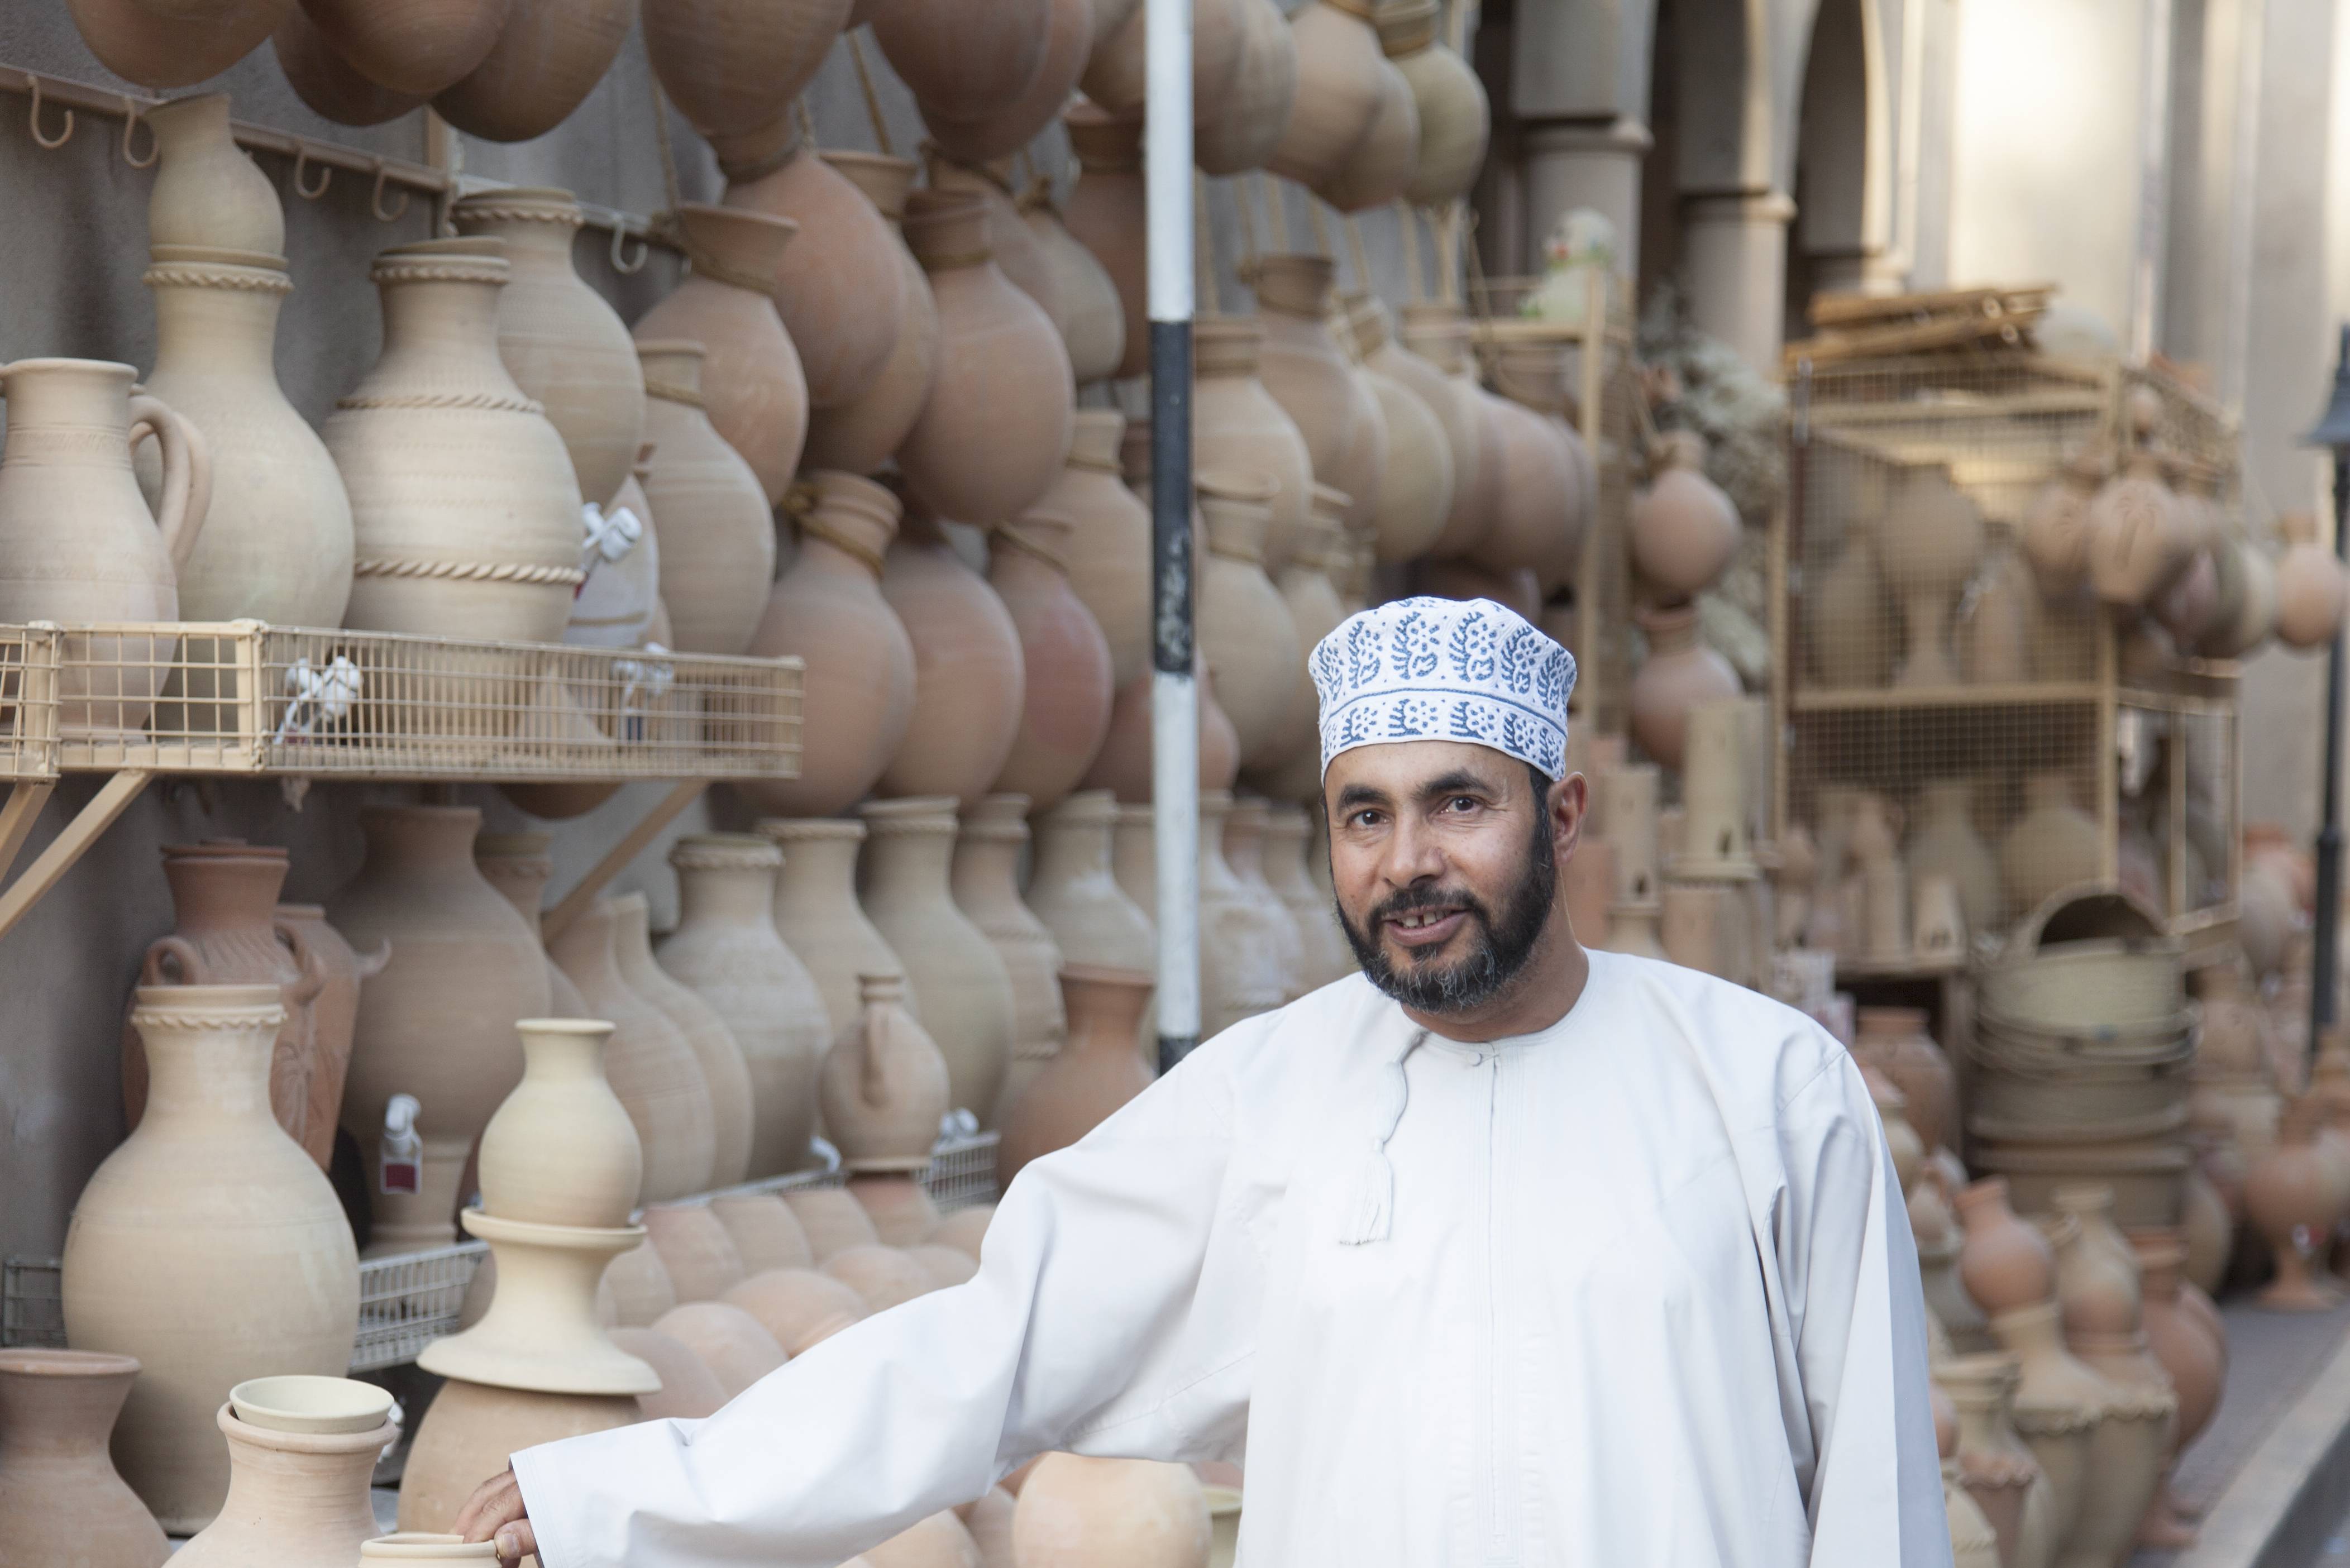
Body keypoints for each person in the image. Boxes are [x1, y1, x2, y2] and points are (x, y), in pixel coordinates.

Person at [458, 595, 1950, 1567]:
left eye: (1460, 807)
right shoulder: (1273, 1098)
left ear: (1559, 813)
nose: (1407, 861)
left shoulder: (1766, 1091)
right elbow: (990, 1354)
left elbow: (1878, 1505)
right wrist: (624, 1498)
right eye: (1365, 817)